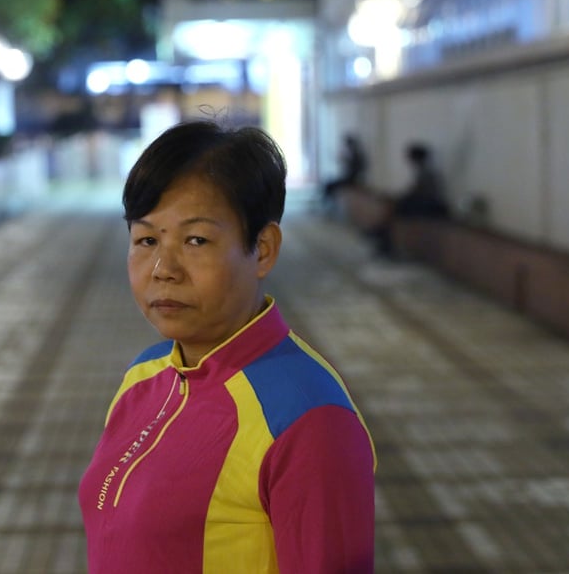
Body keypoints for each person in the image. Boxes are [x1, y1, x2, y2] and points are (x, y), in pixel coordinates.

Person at [78, 120, 377, 573]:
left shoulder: (308, 419)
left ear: (263, 249)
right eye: (146, 240)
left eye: (196, 240)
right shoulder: (146, 375)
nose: (163, 268)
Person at [375, 141, 450, 256]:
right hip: (423, 202)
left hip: (428, 205)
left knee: (393, 210)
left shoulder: (426, 173)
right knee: (392, 208)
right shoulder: (422, 171)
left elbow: (418, 192)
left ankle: (383, 238)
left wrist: (399, 198)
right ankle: (382, 237)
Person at [321, 133, 367, 210]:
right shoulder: (353, 155)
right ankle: (329, 206)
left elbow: (354, 170)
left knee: (330, 185)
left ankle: (329, 207)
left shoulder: (356, 156)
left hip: (352, 181)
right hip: (349, 179)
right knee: (329, 184)